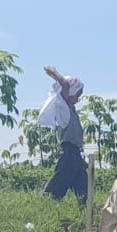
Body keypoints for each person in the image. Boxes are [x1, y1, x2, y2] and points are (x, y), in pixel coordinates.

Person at [38, 66, 87, 203]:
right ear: (70, 92)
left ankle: (85, 207)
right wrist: (54, 73)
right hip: (68, 151)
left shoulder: (71, 109)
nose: (77, 99)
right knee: (60, 179)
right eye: (77, 95)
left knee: (82, 183)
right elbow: (65, 85)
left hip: (75, 152)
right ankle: (47, 201)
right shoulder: (63, 108)